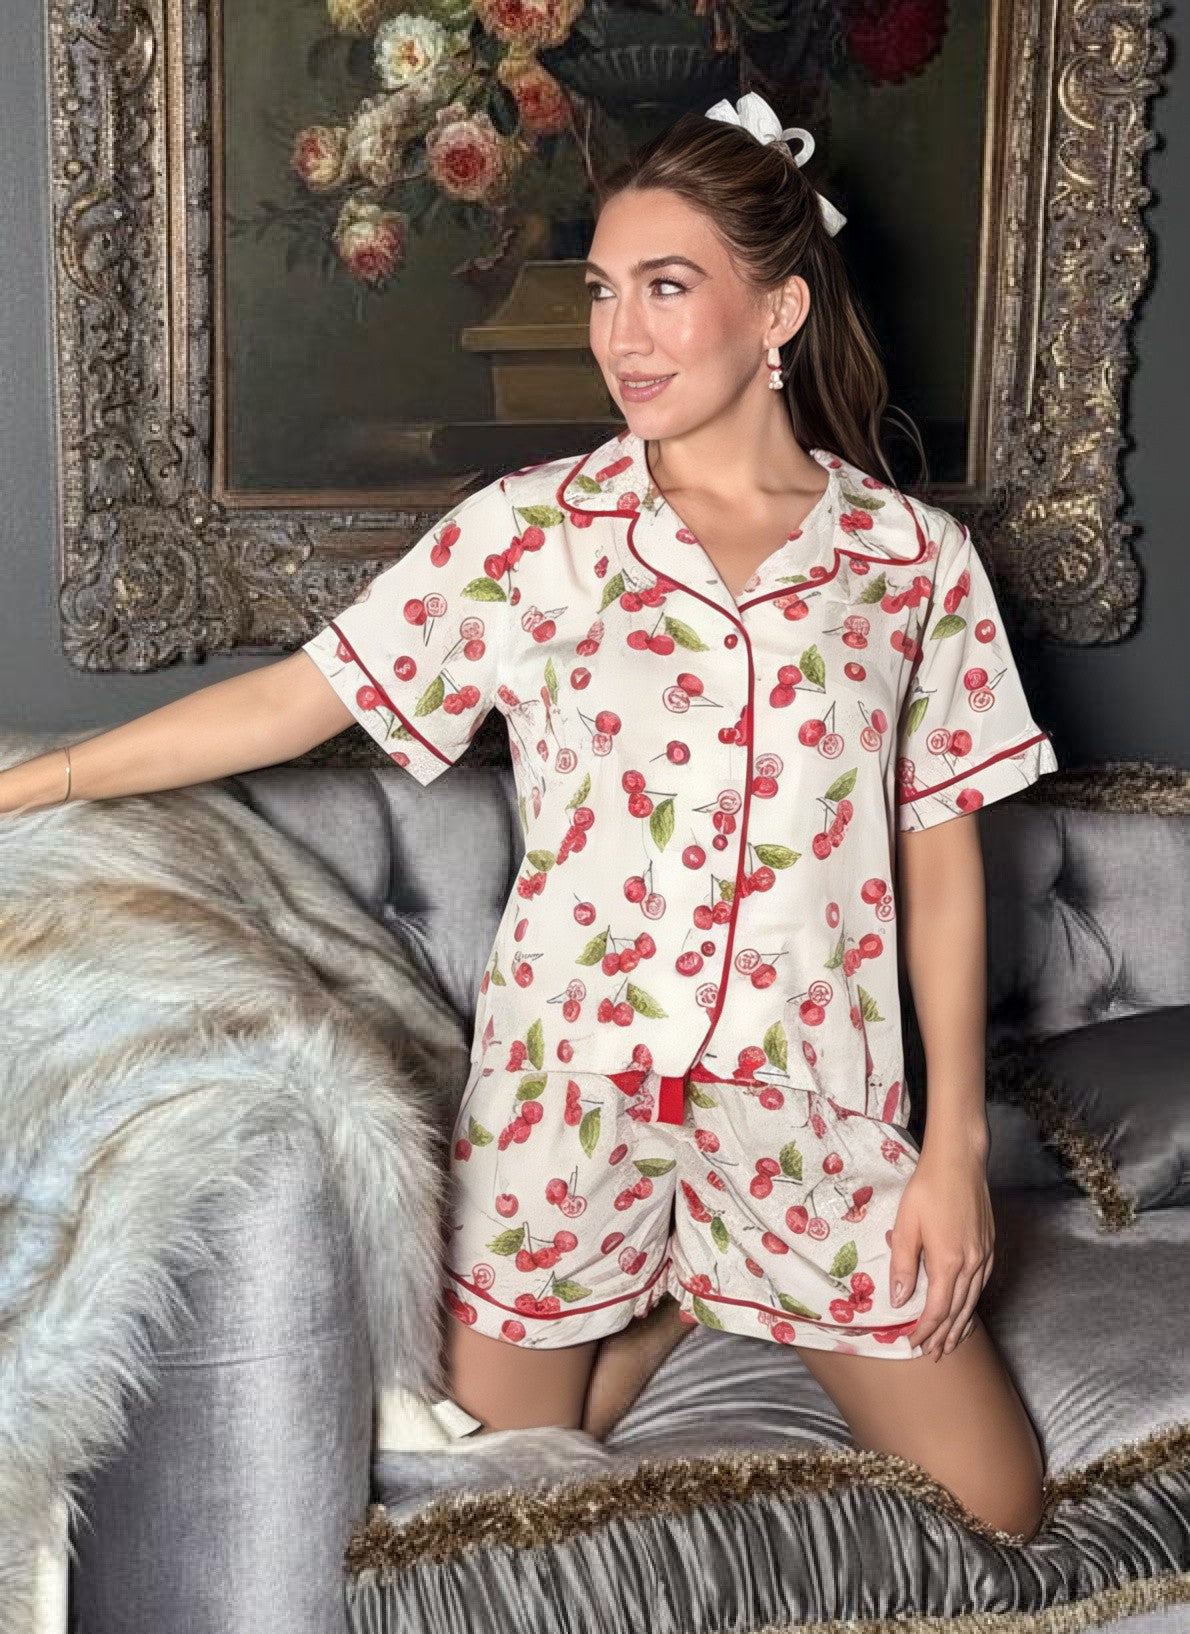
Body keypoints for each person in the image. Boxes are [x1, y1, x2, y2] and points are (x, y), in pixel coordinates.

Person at [0, 94, 1059, 1539]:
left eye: (666, 287)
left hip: (811, 1105)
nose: (621, 334)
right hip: (568, 1099)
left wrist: (950, 1156)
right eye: (604, 291)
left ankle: (710, 1279)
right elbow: (297, 701)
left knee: (1000, 1503)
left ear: (779, 311)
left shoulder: (910, 564)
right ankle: (678, 1304)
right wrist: (33, 781)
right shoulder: (531, 534)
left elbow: (939, 865)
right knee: (482, 1495)